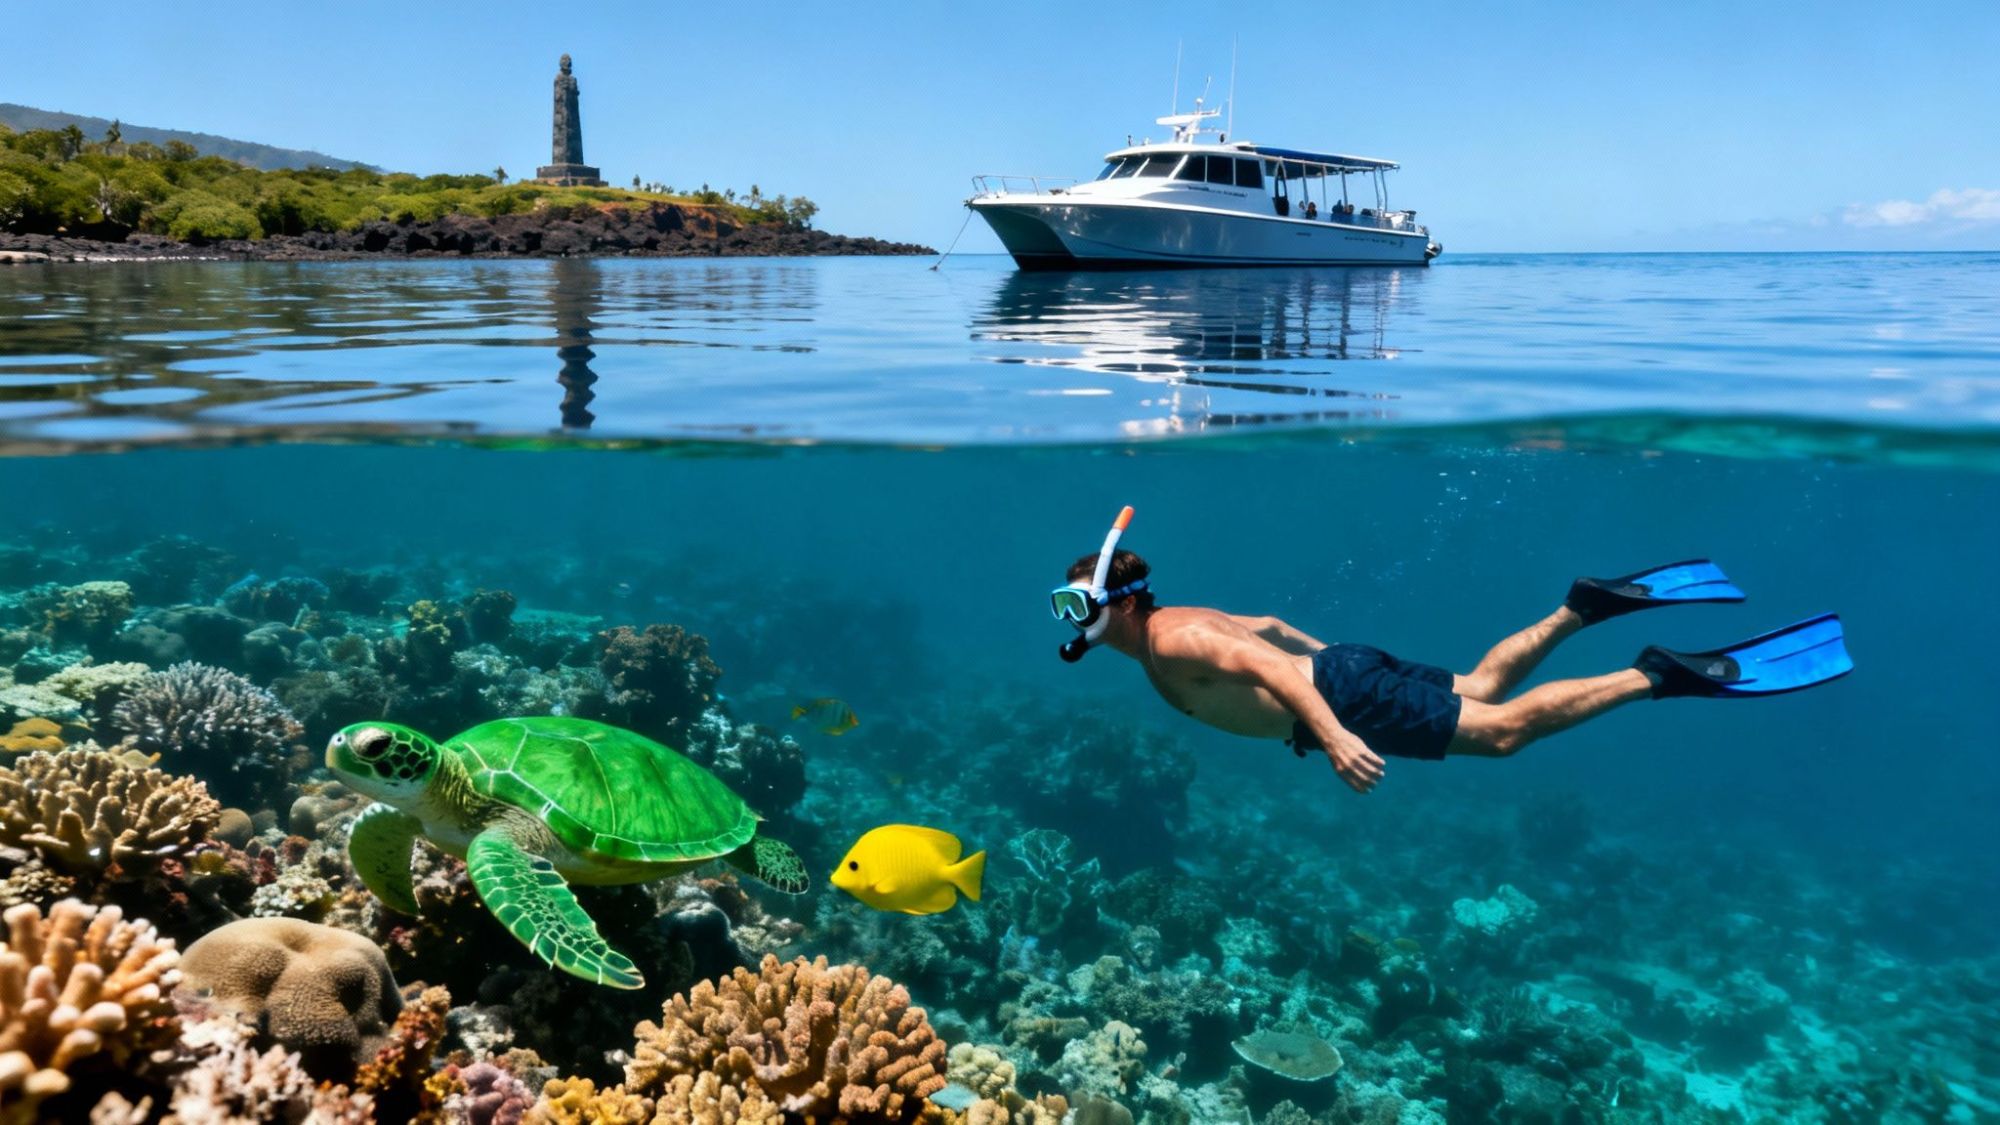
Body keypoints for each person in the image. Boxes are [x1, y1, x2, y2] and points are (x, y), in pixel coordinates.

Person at [1049, 509, 1852, 794]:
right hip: (1343, 673)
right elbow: (1268, 626)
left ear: (1109, 604)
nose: (1066, 618)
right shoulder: (1179, 619)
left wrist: (1335, 732)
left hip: (1339, 699)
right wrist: (1342, 664)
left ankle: (1655, 674)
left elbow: (1261, 663)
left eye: (1071, 603)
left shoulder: (1169, 638)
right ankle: (1583, 605)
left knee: (1501, 734)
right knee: (1482, 683)